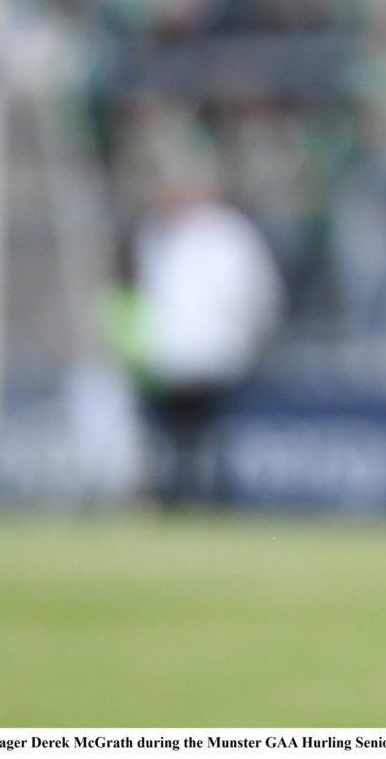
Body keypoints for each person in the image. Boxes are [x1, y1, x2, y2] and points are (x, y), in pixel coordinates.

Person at [124, 113, 283, 507]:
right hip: (165, 360)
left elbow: (255, 295)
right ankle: (171, 498)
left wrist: (245, 341)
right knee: (169, 442)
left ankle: (210, 499)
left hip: (215, 358)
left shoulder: (229, 232)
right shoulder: (153, 233)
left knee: (207, 442)